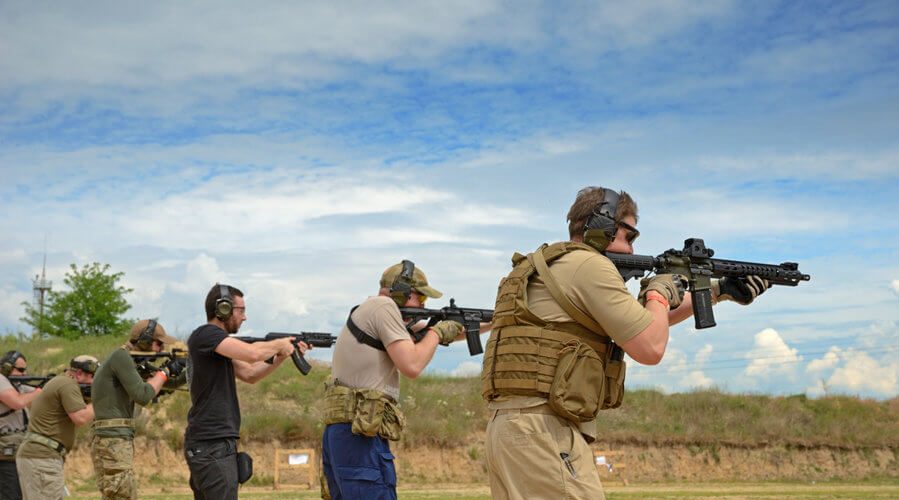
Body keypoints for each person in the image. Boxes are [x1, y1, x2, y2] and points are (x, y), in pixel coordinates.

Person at [480, 186, 772, 500]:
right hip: (544, 431)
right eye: (628, 237)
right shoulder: (590, 266)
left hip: (509, 429)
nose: (632, 250)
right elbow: (649, 347)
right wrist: (658, 293)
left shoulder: (546, 266)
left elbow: (636, 327)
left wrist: (718, 291)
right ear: (602, 227)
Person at [320, 260, 472, 500]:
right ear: (402, 293)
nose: (423, 305)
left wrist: (486, 323)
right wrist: (437, 332)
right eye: (420, 299)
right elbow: (412, 365)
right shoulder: (383, 307)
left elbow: (440, 331)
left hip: (352, 430)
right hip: (359, 433)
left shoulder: (372, 310)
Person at [183, 283, 305, 500]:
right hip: (211, 444)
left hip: (215, 443)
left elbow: (250, 374)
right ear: (223, 309)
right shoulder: (206, 335)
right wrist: (279, 343)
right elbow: (251, 354)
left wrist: (282, 355)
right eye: (241, 310)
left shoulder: (216, 346)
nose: (244, 317)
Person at [90, 319, 185, 500]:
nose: (160, 348)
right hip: (113, 440)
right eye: (159, 343)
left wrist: (184, 369)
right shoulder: (121, 357)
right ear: (144, 341)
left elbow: (164, 386)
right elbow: (142, 395)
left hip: (114, 439)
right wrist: (164, 372)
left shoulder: (129, 361)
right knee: (123, 495)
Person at [15, 355, 98, 500]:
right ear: (79, 373)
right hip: (42, 458)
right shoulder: (67, 384)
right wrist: (105, 400)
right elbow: (80, 417)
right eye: (93, 376)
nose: (94, 381)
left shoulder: (61, 381)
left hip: (42, 456)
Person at [0, 351, 41, 500]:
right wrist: (39, 391)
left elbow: (44, 394)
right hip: (5, 453)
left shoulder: (15, 385)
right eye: (21, 370)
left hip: (18, 449)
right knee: (11, 494)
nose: (24, 374)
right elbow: (17, 402)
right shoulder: (0, 380)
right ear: (6, 368)